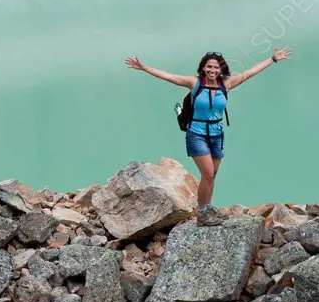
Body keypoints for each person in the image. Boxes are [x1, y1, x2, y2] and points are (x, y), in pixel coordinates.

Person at [124, 47, 291, 225]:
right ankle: (203, 214)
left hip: (217, 135)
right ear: (203, 68)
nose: (212, 70)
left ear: (221, 69)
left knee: (212, 175)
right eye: (209, 67)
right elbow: (168, 76)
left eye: (216, 67)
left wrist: (272, 59)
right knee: (208, 173)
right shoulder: (194, 83)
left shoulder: (226, 84)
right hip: (197, 133)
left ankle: (207, 208)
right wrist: (144, 67)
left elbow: (251, 72)